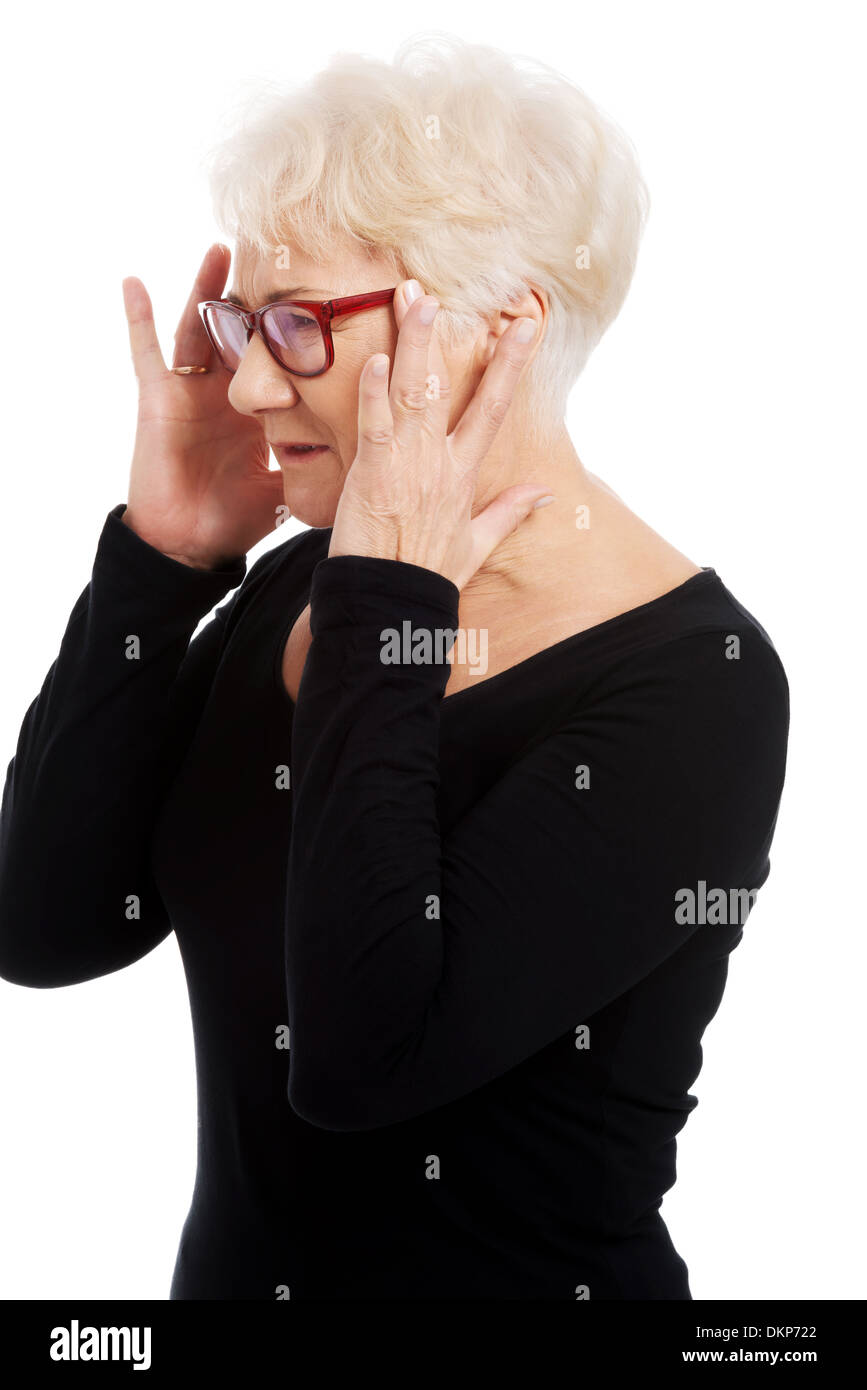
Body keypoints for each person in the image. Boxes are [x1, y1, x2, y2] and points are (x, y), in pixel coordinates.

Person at [0, 35, 789, 1299]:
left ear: (501, 325)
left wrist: (385, 613)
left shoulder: (699, 685)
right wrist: (162, 562)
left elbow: (364, 1061)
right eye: (245, 322)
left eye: (301, 325)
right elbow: (44, 927)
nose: (251, 380)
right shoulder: (300, 591)